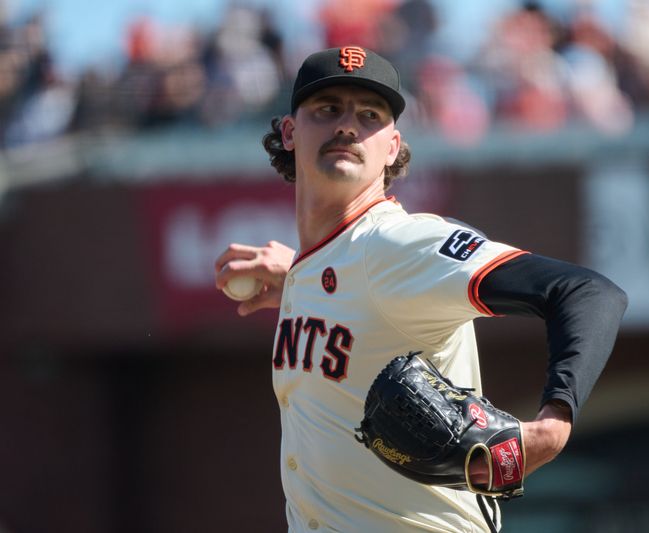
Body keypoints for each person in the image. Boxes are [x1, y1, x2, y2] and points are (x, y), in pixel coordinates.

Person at [214, 46, 627, 532]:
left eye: (370, 115)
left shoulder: (398, 243)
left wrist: (552, 427)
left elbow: (587, 292)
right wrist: (298, 278)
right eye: (328, 109)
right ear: (289, 132)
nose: (348, 125)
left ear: (392, 147)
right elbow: (356, 291)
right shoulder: (322, 268)